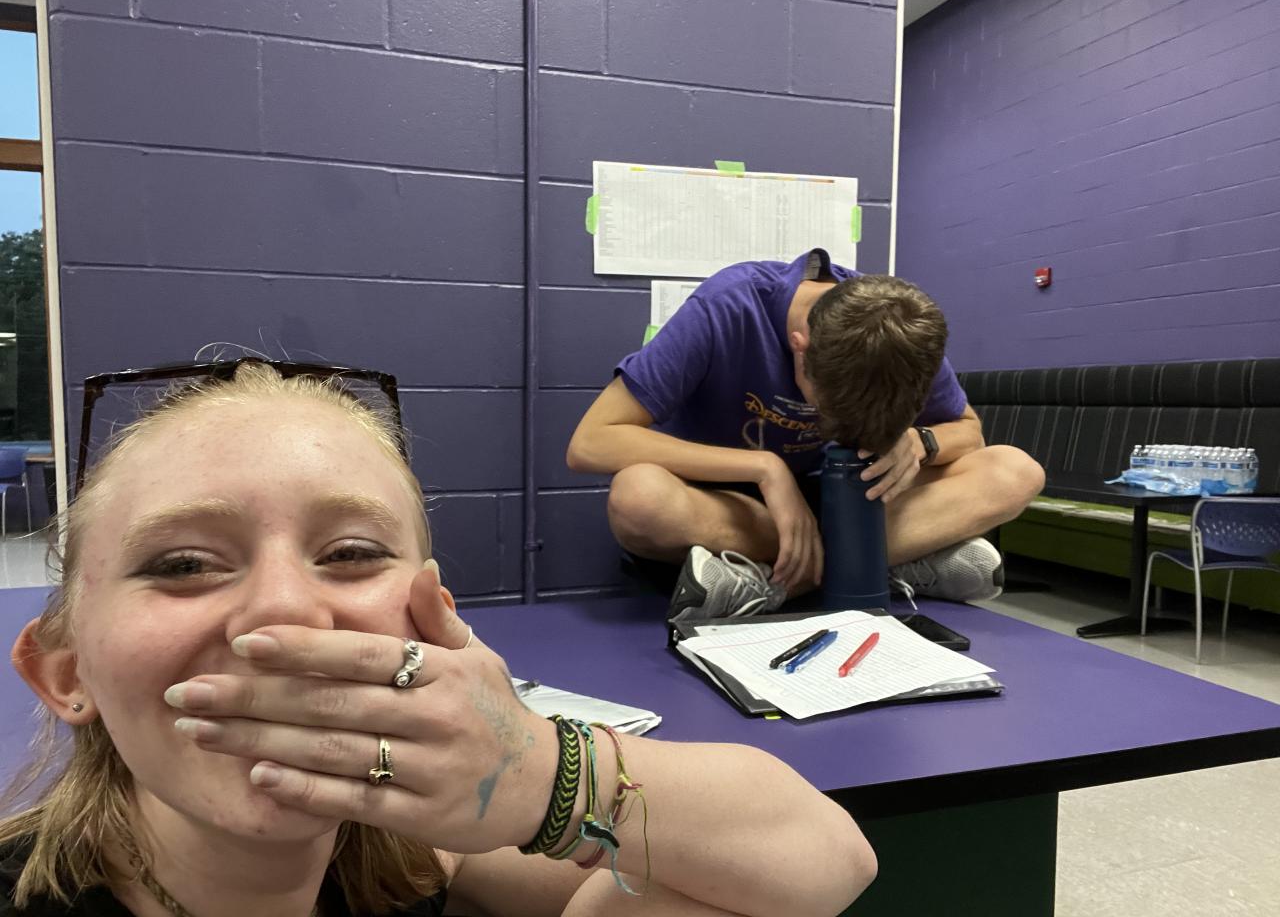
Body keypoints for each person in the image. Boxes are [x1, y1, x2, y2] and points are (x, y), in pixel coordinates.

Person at [1, 362, 875, 916]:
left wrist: (537, 769)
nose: (286, 613)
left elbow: (829, 860)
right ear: (64, 670)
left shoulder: (418, 851)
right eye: (185, 564)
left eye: (350, 553)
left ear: (435, 623)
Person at [567, 249, 1045, 617]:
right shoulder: (729, 304)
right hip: (738, 508)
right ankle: (876, 563)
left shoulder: (896, 329)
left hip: (850, 501)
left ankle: (777, 580)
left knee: (1016, 471)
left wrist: (921, 442)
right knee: (638, 497)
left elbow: (969, 432)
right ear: (800, 348)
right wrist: (765, 469)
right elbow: (591, 442)